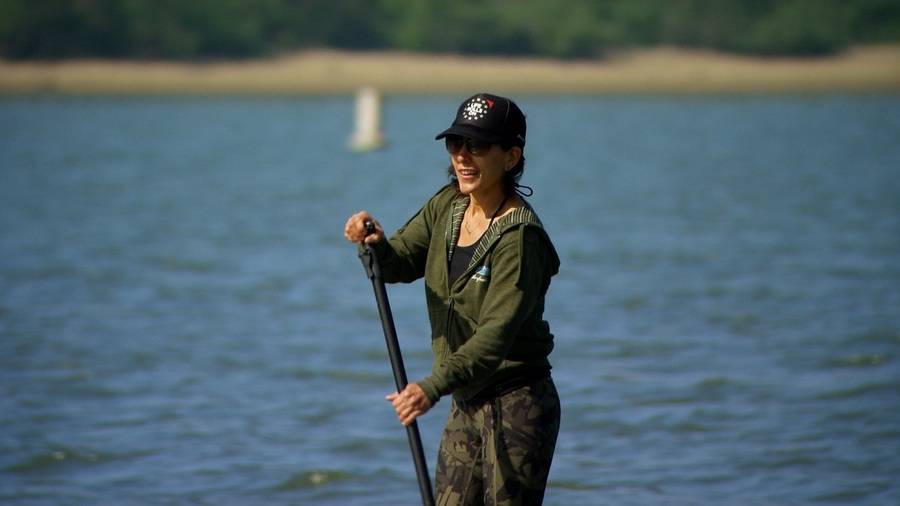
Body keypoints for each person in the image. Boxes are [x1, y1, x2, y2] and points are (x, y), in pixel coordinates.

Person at [344, 93, 561, 505]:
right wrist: (373, 244)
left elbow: (494, 337)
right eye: (456, 144)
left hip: (518, 406)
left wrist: (430, 387)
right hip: (465, 398)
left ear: (512, 157)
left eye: (477, 146)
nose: (463, 157)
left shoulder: (520, 239)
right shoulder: (448, 205)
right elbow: (397, 263)